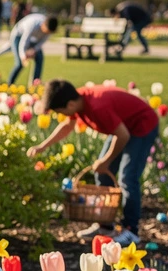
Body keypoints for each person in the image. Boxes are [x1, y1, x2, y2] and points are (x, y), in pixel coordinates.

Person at [29, 80, 159, 247]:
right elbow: (67, 126)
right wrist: (42, 146)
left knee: (128, 178)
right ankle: (105, 225)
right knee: (102, 172)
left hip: (142, 125)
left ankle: (131, 231)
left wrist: (106, 161)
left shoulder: (97, 107)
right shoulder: (77, 100)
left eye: (61, 111)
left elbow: (123, 136)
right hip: (122, 126)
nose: (63, 115)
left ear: (70, 105)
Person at [0, 12, 58, 85]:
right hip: (18, 36)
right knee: (19, 63)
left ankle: (34, 85)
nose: (46, 33)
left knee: (39, 58)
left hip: (31, 40)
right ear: (43, 25)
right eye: (46, 31)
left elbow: (41, 43)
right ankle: (9, 84)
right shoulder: (32, 24)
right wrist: (23, 56)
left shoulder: (49, 29)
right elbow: (24, 41)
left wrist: (33, 50)